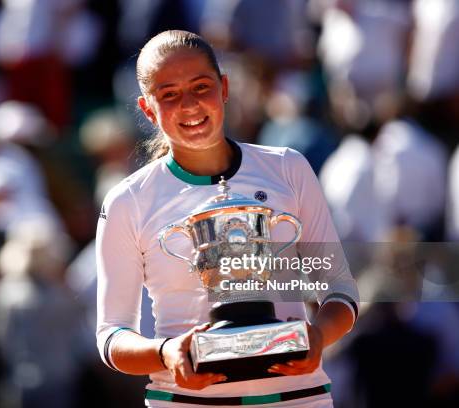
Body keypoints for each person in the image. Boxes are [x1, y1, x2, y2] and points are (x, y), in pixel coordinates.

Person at [96, 30, 359, 407]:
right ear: (148, 109)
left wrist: (317, 337)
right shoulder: (128, 200)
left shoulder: (287, 168)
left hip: (300, 398)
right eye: (169, 94)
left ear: (223, 88)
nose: (189, 105)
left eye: (201, 86)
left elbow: (339, 288)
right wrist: (167, 353)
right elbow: (111, 335)